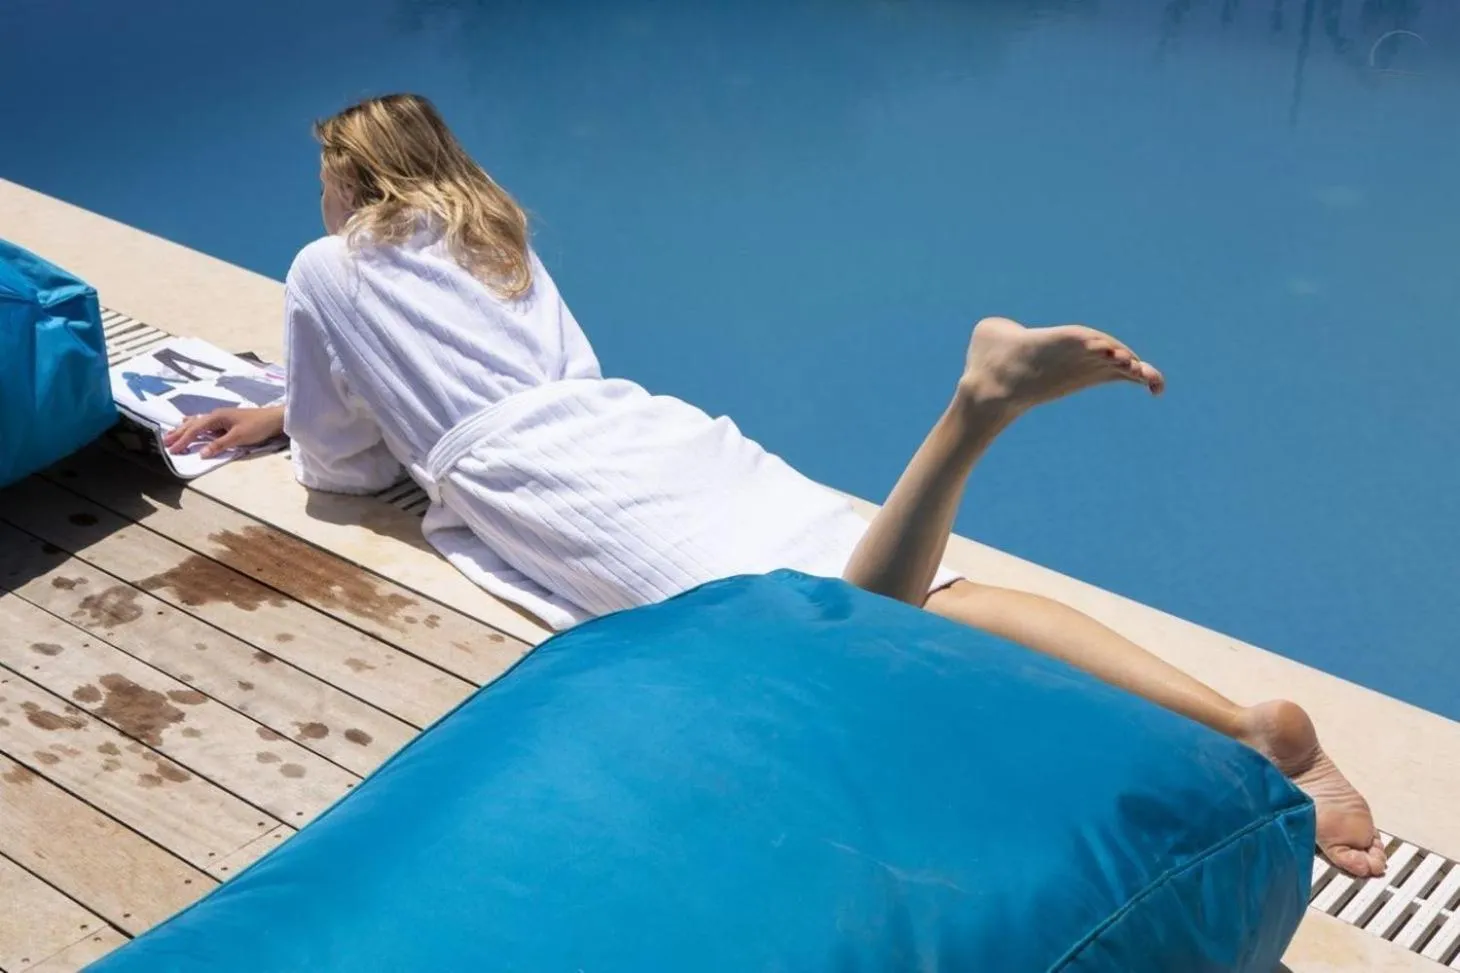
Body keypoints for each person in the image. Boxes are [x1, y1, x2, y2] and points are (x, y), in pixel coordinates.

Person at [166, 93, 1383, 878]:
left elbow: (341, 457)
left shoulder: (325, 262)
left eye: (323, 178)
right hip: (645, 433)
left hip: (554, 482)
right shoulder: (494, 234)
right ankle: (1242, 726)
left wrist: (296, 429)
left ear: (350, 177)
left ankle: (972, 411)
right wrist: (284, 405)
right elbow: (492, 369)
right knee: (933, 593)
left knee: (833, 644)